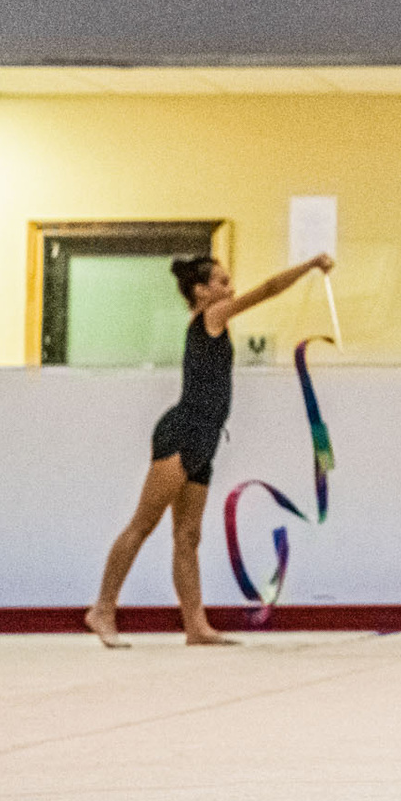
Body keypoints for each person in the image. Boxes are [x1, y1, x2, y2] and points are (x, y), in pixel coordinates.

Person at [84, 250, 336, 647]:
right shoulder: (212, 317)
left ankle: (195, 626)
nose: (230, 288)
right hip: (182, 433)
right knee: (143, 524)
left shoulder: (214, 322)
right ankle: (102, 609)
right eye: (222, 282)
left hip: (206, 439)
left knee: (188, 536)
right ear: (201, 291)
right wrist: (308, 266)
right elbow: (268, 289)